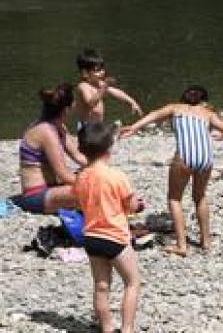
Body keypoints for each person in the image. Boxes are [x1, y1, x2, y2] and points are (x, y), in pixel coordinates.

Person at [120, 86, 223, 257]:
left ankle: (182, 245)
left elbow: (154, 115)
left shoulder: (175, 108)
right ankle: (206, 242)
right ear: (203, 100)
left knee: (174, 198)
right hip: (206, 158)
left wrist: (134, 128)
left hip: (184, 157)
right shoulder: (207, 113)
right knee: (200, 197)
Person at [73, 120, 144, 333]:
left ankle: (106, 328)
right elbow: (130, 206)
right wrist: (138, 206)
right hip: (116, 238)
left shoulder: (81, 177)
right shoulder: (117, 176)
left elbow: (78, 204)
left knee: (101, 286)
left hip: (92, 238)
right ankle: (127, 328)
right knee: (132, 282)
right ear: (110, 147)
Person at [14, 84, 83, 213]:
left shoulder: (59, 127)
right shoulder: (46, 132)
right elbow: (63, 175)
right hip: (36, 195)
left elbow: (78, 156)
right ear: (66, 109)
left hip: (54, 188)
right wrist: (96, 181)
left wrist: (100, 166)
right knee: (92, 191)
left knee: (96, 183)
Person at [71, 48, 142, 131]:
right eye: (97, 70)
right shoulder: (83, 86)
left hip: (98, 125)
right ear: (85, 73)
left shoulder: (99, 84)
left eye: (102, 69)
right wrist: (103, 87)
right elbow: (91, 103)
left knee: (113, 132)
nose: (102, 72)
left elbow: (115, 92)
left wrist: (131, 101)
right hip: (86, 127)